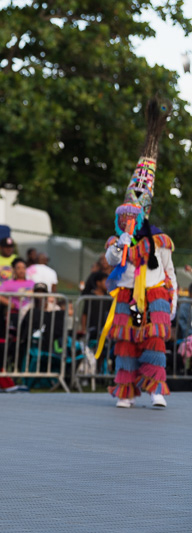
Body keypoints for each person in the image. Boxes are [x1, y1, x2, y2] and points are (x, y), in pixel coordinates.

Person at [99, 97, 176, 409]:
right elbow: (111, 262)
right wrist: (121, 244)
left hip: (156, 295)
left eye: (133, 216)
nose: (128, 220)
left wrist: (172, 302)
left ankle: (156, 390)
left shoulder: (160, 241)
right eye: (124, 217)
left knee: (155, 341)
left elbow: (169, 271)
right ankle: (125, 392)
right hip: (128, 295)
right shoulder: (117, 242)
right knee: (126, 343)